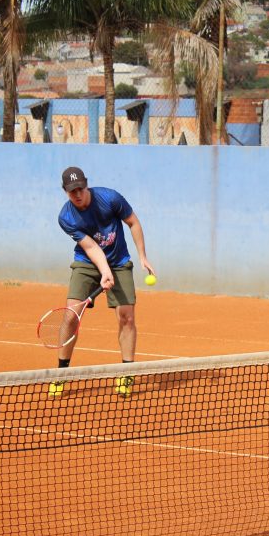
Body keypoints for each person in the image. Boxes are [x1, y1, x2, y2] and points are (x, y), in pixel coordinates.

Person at [50, 166, 154, 397]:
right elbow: (90, 246)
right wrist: (104, 271)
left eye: (79, 189)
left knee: (126, 317)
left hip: (119, 261)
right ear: (65, 191)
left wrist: (142, 255)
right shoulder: (66, 216)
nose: (76, 194)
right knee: (70, 316)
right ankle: (61, 374)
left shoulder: (110, 198)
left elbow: (133, 222)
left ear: (86, 185)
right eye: (71, 191)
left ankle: (126, 374)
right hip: (87, 263)